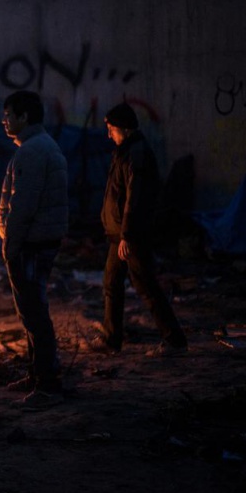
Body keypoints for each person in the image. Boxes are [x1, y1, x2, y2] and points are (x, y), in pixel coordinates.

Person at [98, 102, 188, 356]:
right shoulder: (125, 151)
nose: (109, 135)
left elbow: (134, 198)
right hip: (121, 234)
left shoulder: (136, 154)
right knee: (112, 283)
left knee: (145, 285)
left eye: (112, 129)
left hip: (131, 235)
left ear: (124, 129)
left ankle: (174, 341)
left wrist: (127, 234)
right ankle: (110, 338)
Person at [0, 91, 69, 410]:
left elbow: (22, 206)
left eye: (9, 114)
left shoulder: (31, 152)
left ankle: (47, 383)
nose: (4, 121)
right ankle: (38, 374)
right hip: (40, 240)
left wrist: (10, 246)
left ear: (25, 117)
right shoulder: (41, 146)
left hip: (30, 244)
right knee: (32, 309)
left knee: (33, 311)